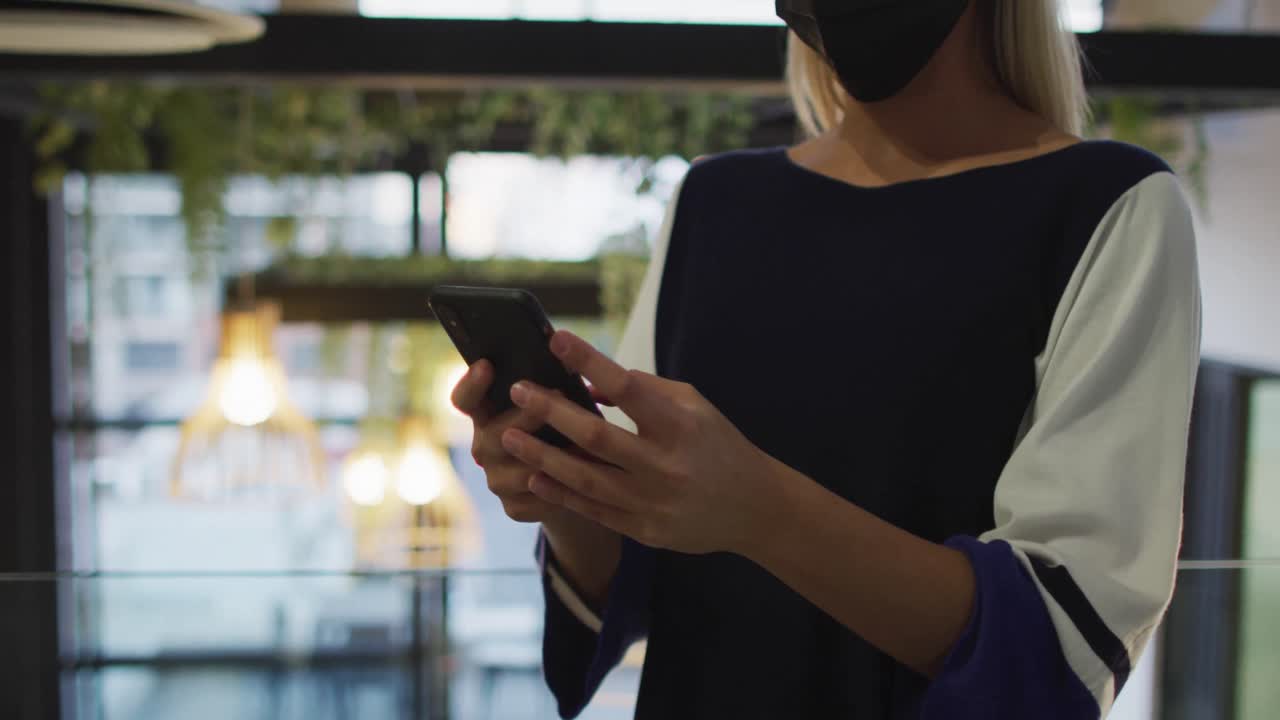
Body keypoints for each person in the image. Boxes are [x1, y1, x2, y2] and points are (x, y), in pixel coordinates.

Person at [451, 0, 1202, 717]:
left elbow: (1056, 641)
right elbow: (644, 559)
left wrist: (760, 511)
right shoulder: (714, 202)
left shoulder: (1107, 204)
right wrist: (562, 490)